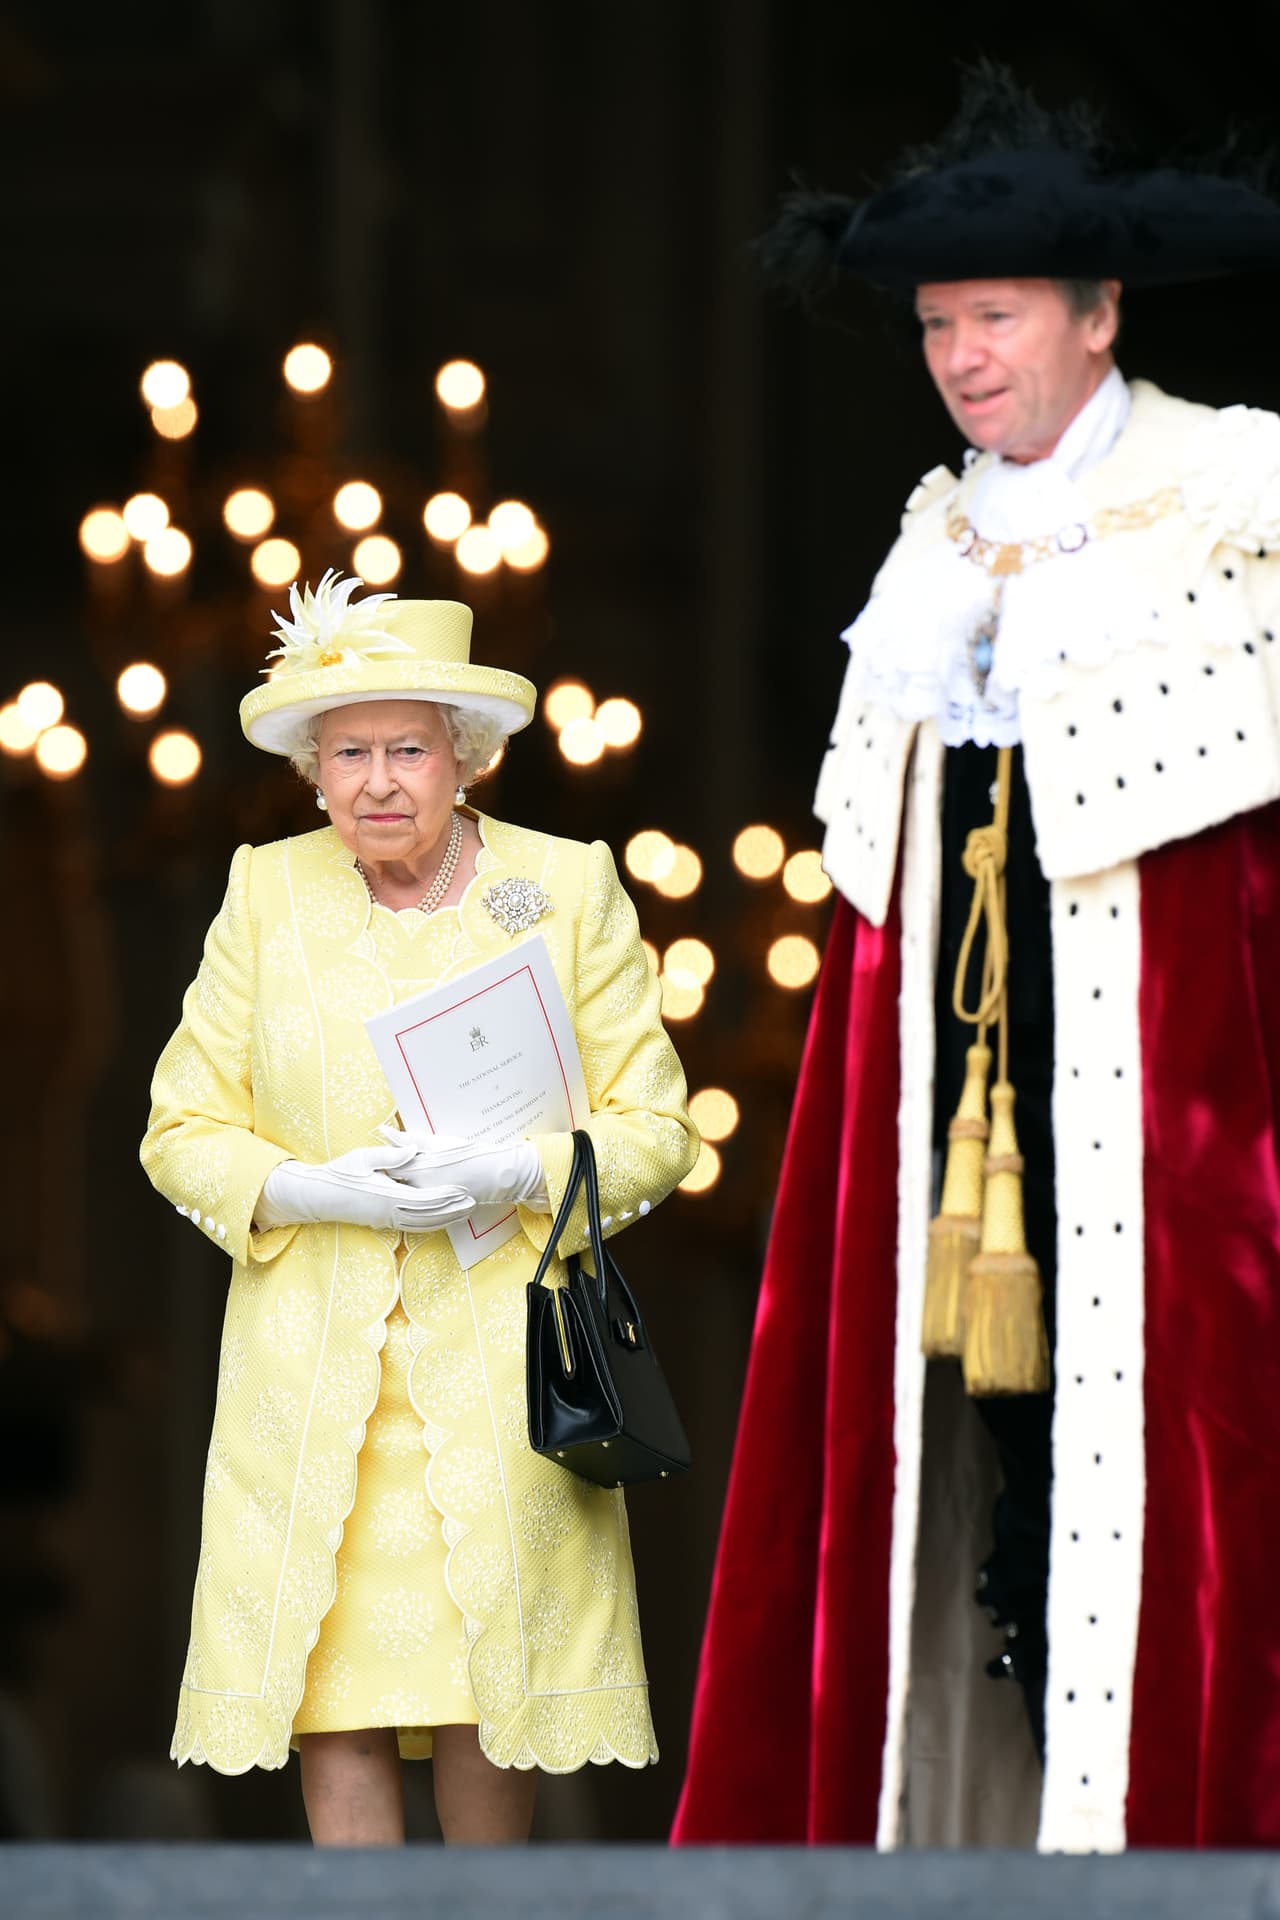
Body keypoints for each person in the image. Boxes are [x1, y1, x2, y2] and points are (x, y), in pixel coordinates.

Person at [674, 70, 1280, 1854]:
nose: (961, 356)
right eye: (938, 324)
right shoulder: (936, 532)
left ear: (1100, 317)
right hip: (957, 1114)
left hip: (1166, 1102)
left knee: (1182, 1471)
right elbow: (878, 843)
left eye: (996, 316)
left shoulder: (1241, 485)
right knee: (967, 1467)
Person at [141, 571, 698, 1844]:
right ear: (312, 769)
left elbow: (657, 1130)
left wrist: (517, 1173)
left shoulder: (563, 887)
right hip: (309, 1377)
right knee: (329, 1698)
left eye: (407, 747)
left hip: (504, 1365)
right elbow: (178, 1128)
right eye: (348, 752)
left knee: (478, 1695)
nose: (377, 781)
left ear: (467, 758)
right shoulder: (264, 894)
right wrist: (302, 1186)